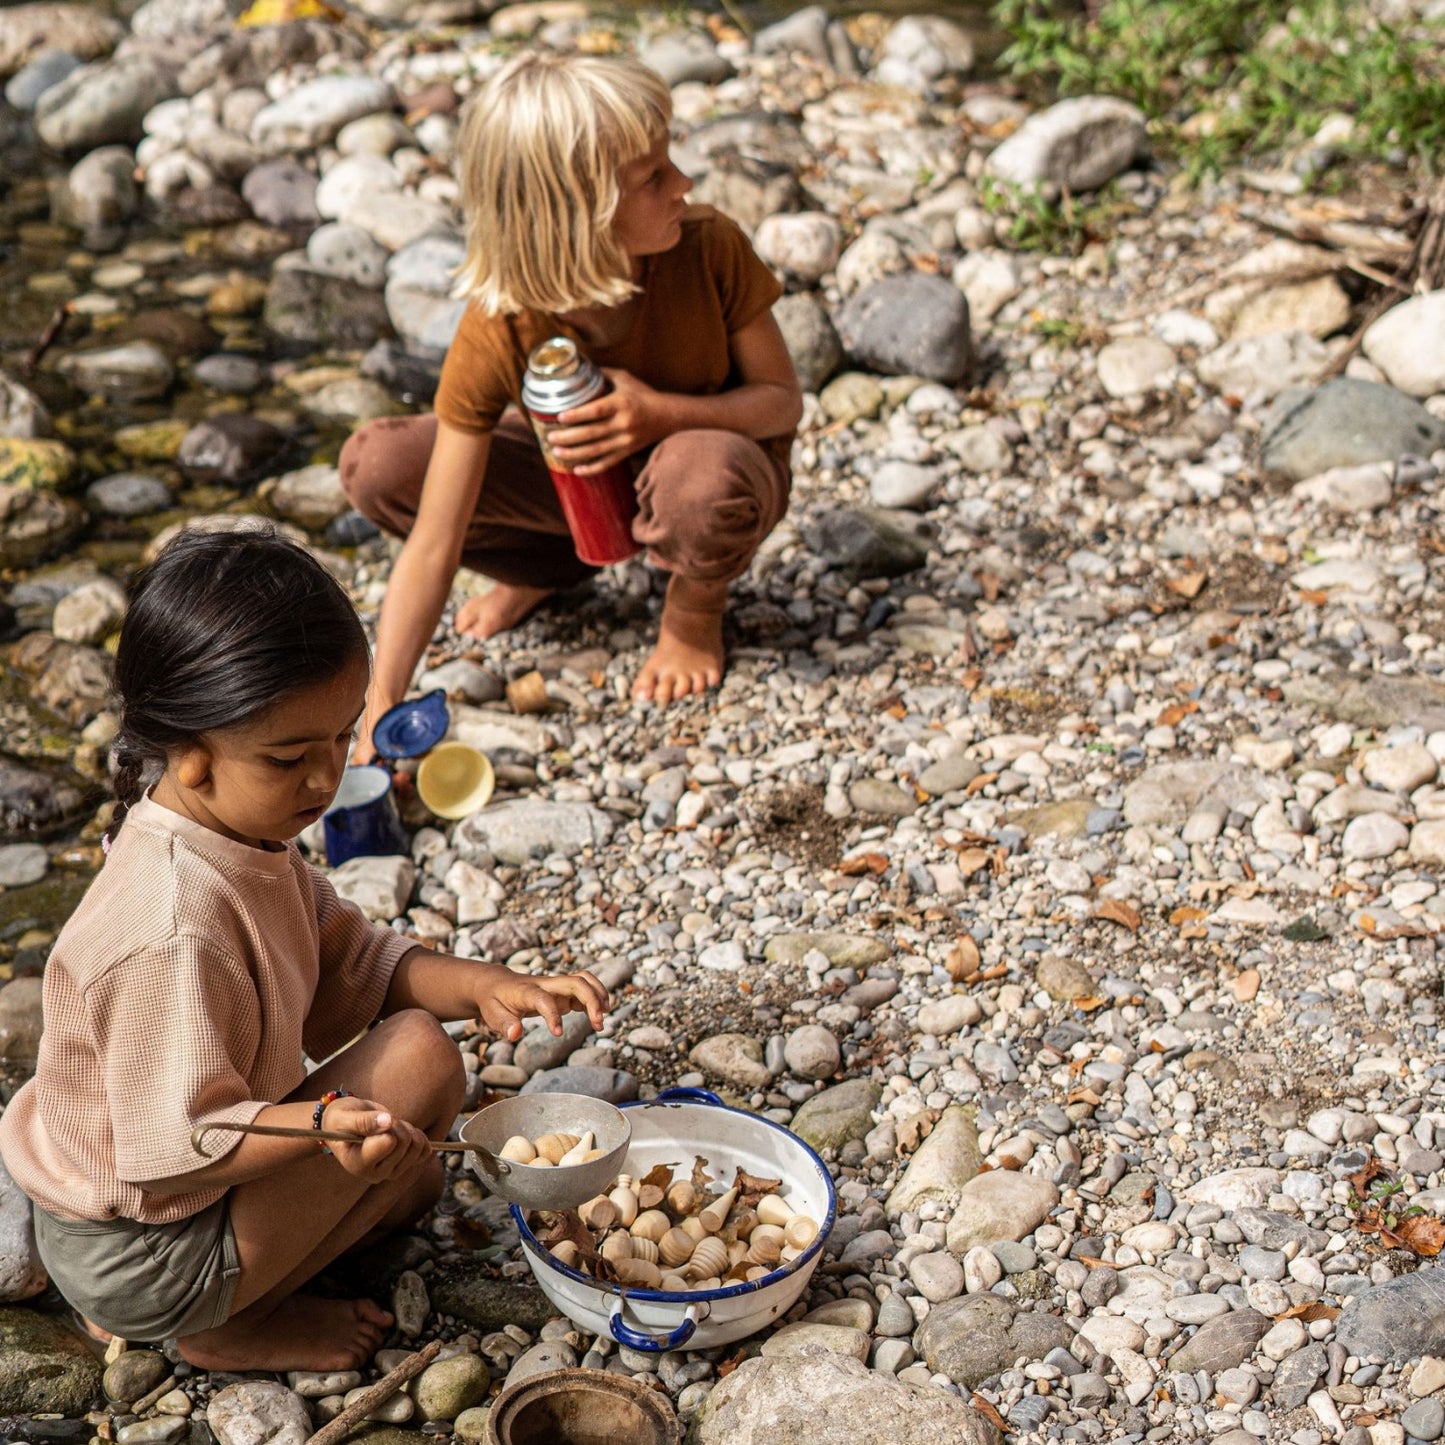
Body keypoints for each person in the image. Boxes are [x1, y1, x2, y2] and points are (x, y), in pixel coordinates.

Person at [0, 527, 608, 1372]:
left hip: (179, 1184)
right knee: (415, 1071)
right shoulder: (171, 927)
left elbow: (350, 963)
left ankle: (256, 1267)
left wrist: (485, 984)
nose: (327, 778)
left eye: (342, 736)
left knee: (416, 1166)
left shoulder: (239, 832)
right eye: (290, 757)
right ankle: (221, 1326)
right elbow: (172, 1147)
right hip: (142, 1242)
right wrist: (323, 1127)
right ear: (192, 757)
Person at [341, 50, 803, 759]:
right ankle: (546, 572)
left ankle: (691, 611)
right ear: (576, 215)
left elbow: (781, 403)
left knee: (700, 484)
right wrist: (380, 707)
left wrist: (660, 414)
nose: (684, 183)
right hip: (584, 491)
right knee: (379, 465)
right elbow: (436, 538)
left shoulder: (708, 247)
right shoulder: (502, 321)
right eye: (653, 177)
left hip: (713, 470)